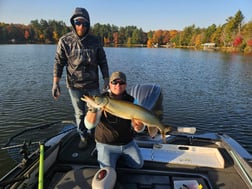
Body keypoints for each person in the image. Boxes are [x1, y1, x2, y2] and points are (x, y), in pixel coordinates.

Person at [52, 7, 109, 149]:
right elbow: (59, 62)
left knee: (95, 111)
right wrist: (55, 84)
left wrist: (106, 79)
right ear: (73, 23)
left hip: (93, 85)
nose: (81, 26)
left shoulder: (95, 41)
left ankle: (95, 134)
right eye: (78, 22)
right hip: (74, 86)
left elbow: (102, 60)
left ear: (88, 24)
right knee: (79, 113)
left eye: (84, 23)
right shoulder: (65, 40)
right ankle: (83, 136)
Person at [84, 71, 144, 169]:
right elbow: (89, 126)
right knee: (108, 171)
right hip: (106, 144)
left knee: (138, 165)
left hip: (127, 143)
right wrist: (92, 109)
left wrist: (139, 127)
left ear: (126, 85)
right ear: (109, 85)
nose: (118, 85)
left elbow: (140, 128)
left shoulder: (133, 101)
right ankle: (101, 151)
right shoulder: (102, 99)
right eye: (114, 82)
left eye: (121, 83)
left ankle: (115, 160)